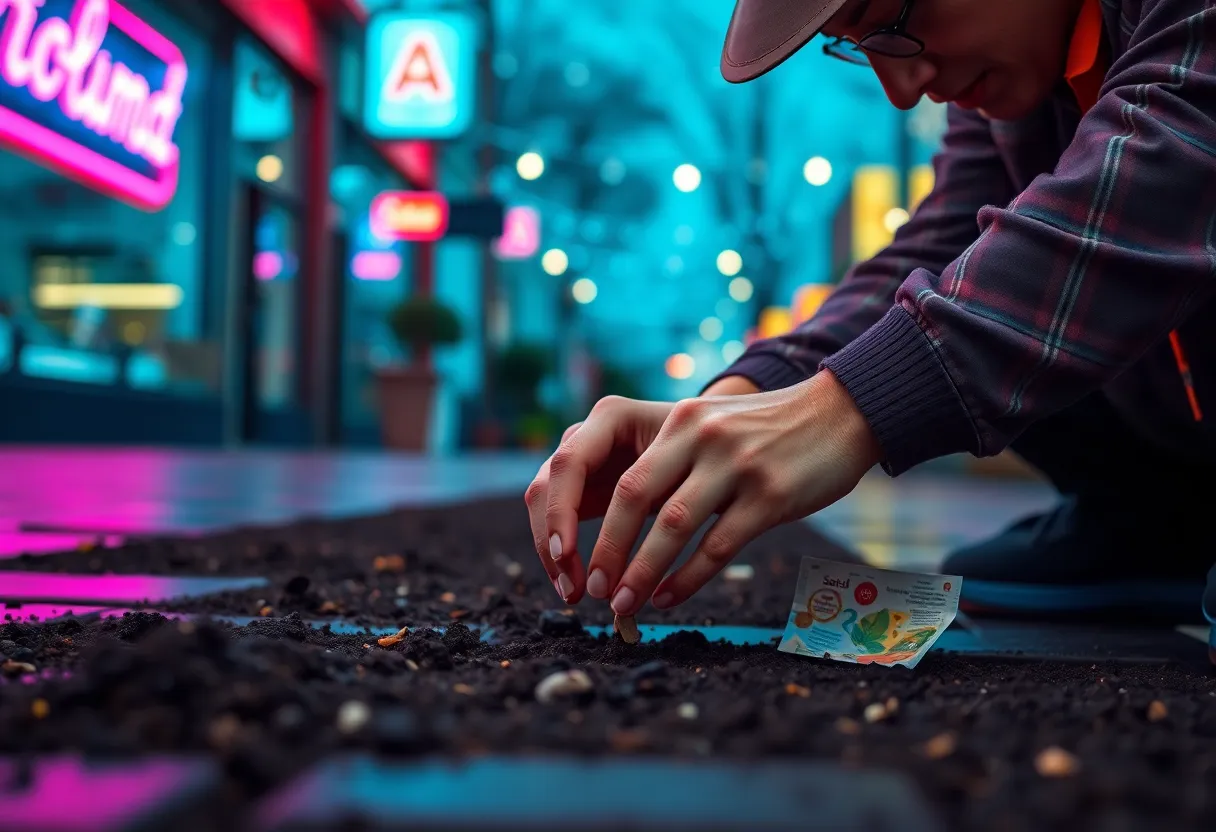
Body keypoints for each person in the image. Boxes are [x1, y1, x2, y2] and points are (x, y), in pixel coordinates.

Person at [524, 0, 1216, 651]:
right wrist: (731, 405)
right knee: (996, 278)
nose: (903, 89)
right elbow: (944, 246)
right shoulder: (1020, 75)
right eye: (858, 45)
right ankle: (1163, 521)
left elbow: (1175, 164)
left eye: (897, 17)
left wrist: (849, 409)